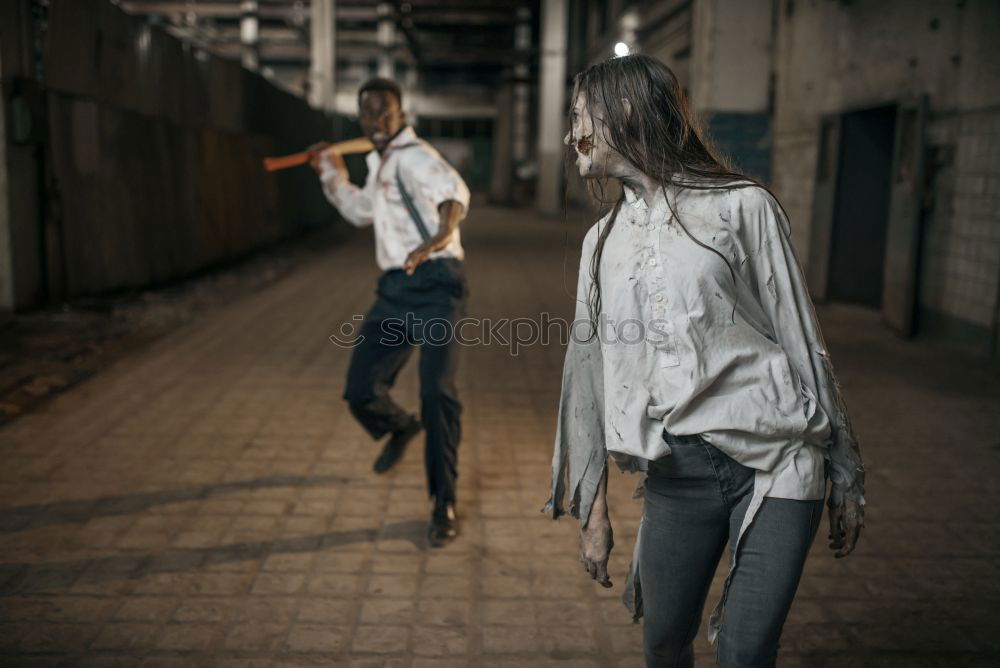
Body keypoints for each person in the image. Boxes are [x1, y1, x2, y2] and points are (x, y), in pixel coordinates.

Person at [545, 55, 866, 667]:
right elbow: (586, 378)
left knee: (745, 652)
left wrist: (845, 469)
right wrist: (592, 511)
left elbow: (803, 336)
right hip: (679, 474)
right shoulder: (601, 242)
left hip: (779, 459)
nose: (571, 135)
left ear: (627, 113)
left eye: (580, 117)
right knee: (664, 644)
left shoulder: (742, 206)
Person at [311, 78, 470, 547]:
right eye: (368, 114)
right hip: (396, 288)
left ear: (402, 114)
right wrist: (330, 173)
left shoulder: (415, 156)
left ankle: (443, 502)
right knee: (360, 391)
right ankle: (401, 427)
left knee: (436, 393)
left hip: (438, 283)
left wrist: (438, 238)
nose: (376, 122)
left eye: (385, 113)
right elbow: (364, 211)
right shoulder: (379, 160)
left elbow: (452, 195)